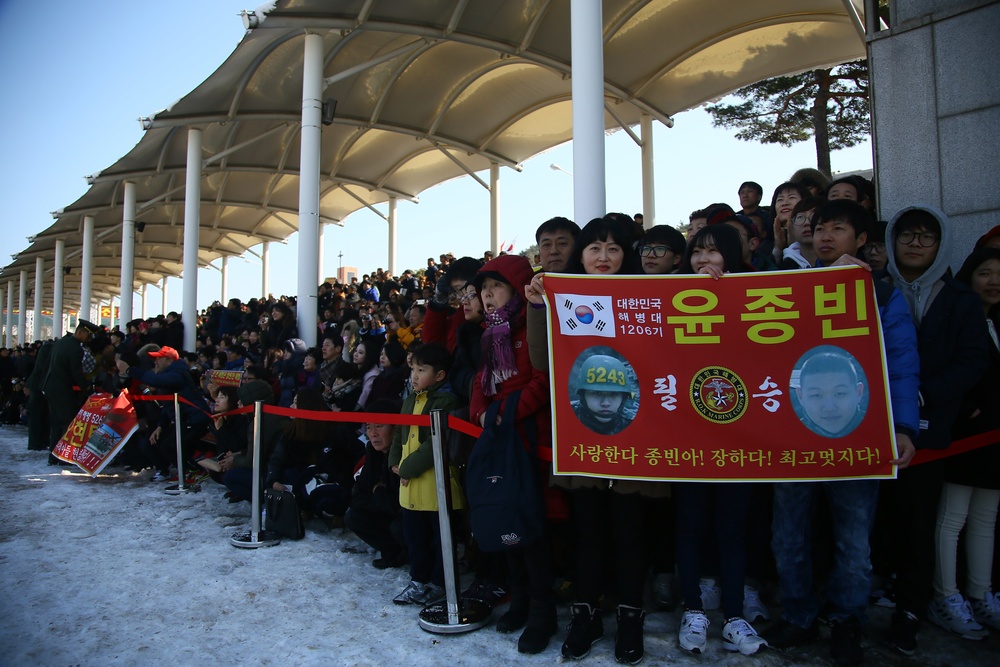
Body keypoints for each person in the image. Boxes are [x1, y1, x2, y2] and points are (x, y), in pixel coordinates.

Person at [765, 199, 920, 666]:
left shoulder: (883, 293)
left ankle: (847, 620)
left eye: (838, 228)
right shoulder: (787, 287)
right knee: (788, 535)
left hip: (859, 437)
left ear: (861, 240)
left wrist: (903, 426)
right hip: (794, 435)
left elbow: (901, 363)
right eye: (818, 227)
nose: (826, 235)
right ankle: (798, 614)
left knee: (854, 541)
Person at [882, 205, 990, 654]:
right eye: (907, 235)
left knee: (919, 520)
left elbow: (972, 361)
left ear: (941, 244)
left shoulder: (961, 298)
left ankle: (911, 607)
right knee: (881, 520)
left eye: (926, 237)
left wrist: (923, 394)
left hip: (927, 426)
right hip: (870, 426)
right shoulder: (873, 289)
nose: (915, 244)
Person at [673, 223, 768, 657]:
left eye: (713, 252)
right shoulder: (670, 295)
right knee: (690, 527)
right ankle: (692, 610)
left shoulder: (758, 296)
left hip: (738, 440)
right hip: (689, 440)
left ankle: (734, 616)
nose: (703, 261)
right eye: (697, 252)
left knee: (731, 530)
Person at [472, 253, 556, 655]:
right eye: (484, 290)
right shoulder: (490, 332)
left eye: (496, 287)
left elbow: (544, 381)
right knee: (506, 520)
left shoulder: (531, 324)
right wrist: (480, 412)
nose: (488, 296)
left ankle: (543, 611)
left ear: (517, 289)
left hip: (528, 438)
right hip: (499, 436)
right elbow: (481, 381)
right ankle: (520, 600)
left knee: (531, 527)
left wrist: (501, 414)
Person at [932, 246, 1000, 637]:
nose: (993, 282)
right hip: (964, 434)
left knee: (986, 519)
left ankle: (981, 593)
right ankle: (946, 595)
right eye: (984, 273)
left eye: (998, 274)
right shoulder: (957, 316)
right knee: (952, 518)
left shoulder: (996, 323)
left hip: (993, 440)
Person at [388, 343, 463, 606]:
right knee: (415, 538)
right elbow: (399, 433)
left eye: (422, 370)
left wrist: (406, 468)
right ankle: (418, 580)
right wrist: (394, 462)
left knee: (441, 539)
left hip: (436, 487)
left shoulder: (446, 400)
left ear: (440, 375)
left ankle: (440, 584)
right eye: (413, 369)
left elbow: (435, 443)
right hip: (410, 486)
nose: (415, 376)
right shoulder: (410, 399)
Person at [116, 346, 213, 482]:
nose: (155, 362)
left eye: (159, 358)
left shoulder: (177, 374)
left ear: (169, 360)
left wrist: (129, 370)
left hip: (196, 420)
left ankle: (196, 471)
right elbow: (168, 406)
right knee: (161, 442)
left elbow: (156, 381)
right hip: (185, 420)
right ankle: (186, 471)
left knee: (171, 445)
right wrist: (161, 426)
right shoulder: (170, 374)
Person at [344, 399, 407, 569]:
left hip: (407, 519)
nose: (373, 433)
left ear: (395, 427)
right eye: (369, 427)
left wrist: (378, 492)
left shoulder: (405, 454)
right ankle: (393, 553)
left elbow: (398, 505)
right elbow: (357, 496)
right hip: (385, 511)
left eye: (379, 426)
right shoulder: (373, 452)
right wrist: (381, 497)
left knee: (399, 526)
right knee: (353, 516)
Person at [44, 320, 99, 460]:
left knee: (56, 423)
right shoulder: (76, 349)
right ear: (80, 332)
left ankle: (54, 456)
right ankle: (63, 457)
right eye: (88, 335)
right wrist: (87, 389)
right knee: (69, 422)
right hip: (62, 388)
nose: (89, 339)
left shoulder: (61, 342)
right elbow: (76, 373)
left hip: (51, 386)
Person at [795, 352, 866, 437]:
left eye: (840, 393)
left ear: (858, 392)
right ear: (800, 396)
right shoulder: (788, 435)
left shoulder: (881, 427)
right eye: (816, 395)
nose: (829, 408)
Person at [570, 354, 635, 435]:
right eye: (596, 393)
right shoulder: (564, 416)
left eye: (614, 394)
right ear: (583, 395)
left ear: (623, 397)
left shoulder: (634, 423)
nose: (605, 403)